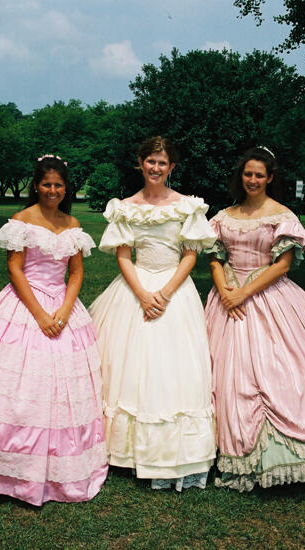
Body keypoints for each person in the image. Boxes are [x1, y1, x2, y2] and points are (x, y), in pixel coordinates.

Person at [0, 155, 108, 505]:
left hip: (63, 306)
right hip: (25, 304)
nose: (53, 190)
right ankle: (2, 465)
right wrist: (39, 315)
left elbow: (77, 273)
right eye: (47, 184)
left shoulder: (73, 223)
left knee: (65, 389)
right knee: (16, 387)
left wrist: (64, 311)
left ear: (66, 188)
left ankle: (59, 463)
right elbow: (15, 270)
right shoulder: (20, 221)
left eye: (59, 185)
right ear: (36, 185)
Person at [89, 137, 217, 490]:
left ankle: (172, 451)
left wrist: (163, 293)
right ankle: (124, 448)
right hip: (134, 288)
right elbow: (123, 255)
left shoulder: (187, 206)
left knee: (174, 369)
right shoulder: (125, 207)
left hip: (174, 288)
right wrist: (143, 295)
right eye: (150, 161)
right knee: (126, 366)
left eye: (162, 163)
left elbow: (191, 254)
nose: (156, 168)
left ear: (172, 167)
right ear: (140, 162)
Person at [205, 146, 305, 491]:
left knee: (277, 371)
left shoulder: (281, 215)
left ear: (270, 178)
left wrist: (243, 293)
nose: (253, 180)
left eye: (259, 175)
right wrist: (225, 289)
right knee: (223, 372)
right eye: (247, 173)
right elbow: (214, 256)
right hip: (226, 296)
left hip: (269, 297)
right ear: (240, 176)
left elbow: (282, 265)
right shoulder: (223, 216)